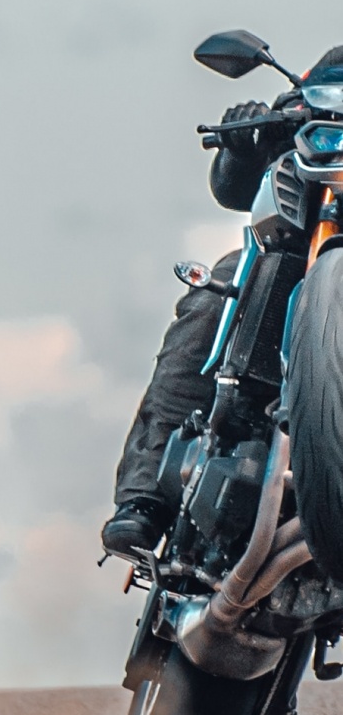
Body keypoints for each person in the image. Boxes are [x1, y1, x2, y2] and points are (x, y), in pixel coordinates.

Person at [101, 44, 343, 561]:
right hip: (306, 243)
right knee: (226, 285)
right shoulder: (333, 72)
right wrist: (247, 136)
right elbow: (237, 186)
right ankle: (145, 499)